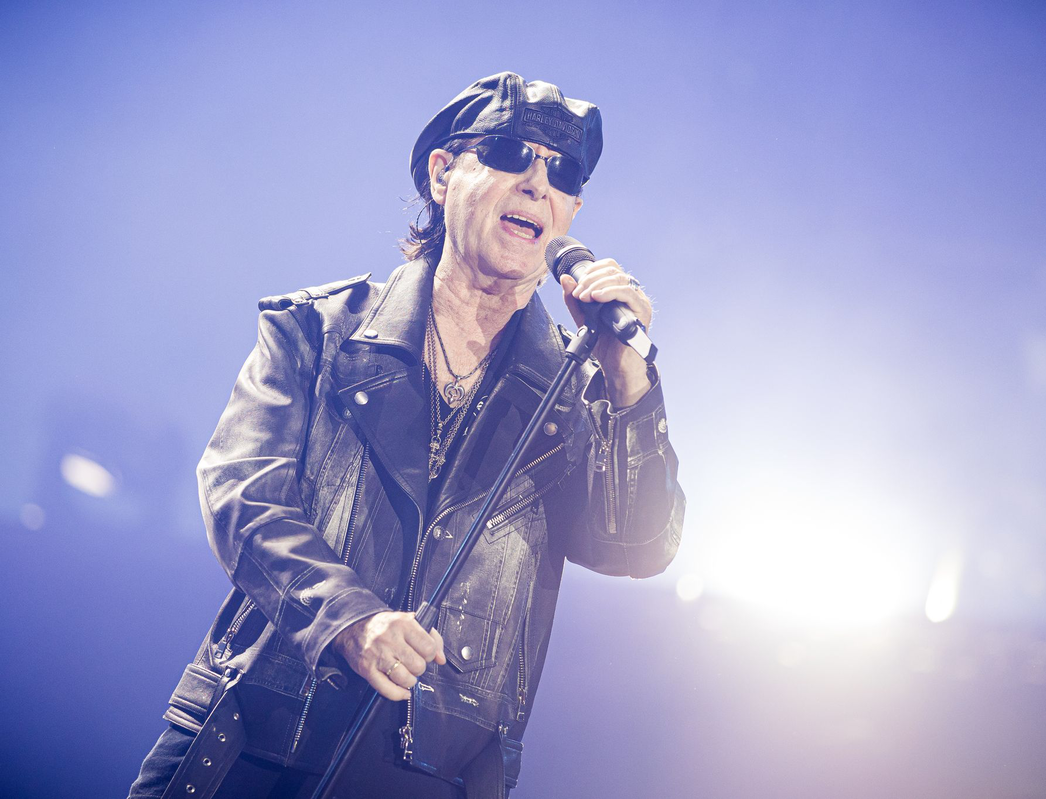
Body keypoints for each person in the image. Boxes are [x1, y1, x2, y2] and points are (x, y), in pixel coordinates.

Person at [128, 72, 685, 799]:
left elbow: (638, 546)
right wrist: (348, 619)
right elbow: (242, 493)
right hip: (261, 743)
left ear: (572, 211)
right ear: (442, 174)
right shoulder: (317, 332)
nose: (536, 182)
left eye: (563, 172)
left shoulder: (576, 396)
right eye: (511, 153)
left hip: (432, 771)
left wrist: (630, 386)